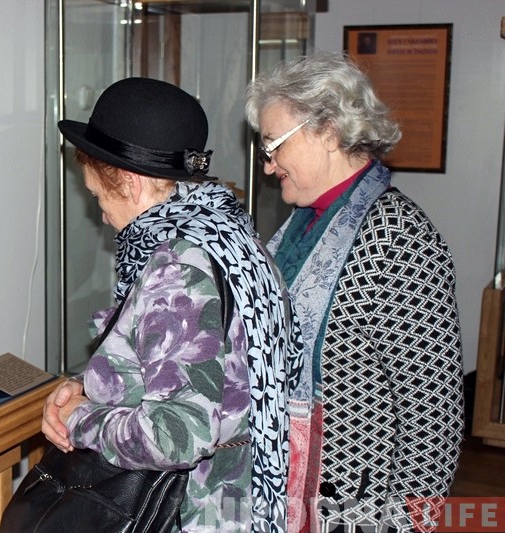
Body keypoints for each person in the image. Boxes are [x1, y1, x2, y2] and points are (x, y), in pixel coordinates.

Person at [41, 77, 303, 532]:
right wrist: (92, 384)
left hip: (190, 512)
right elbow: (203, 371)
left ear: (129, 182)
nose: (101, 213)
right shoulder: (228, 236)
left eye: (99, 196)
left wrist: (78, 418)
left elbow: (175, 435)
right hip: (238, 502)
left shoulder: (180, 267)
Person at [244, 51, 464, 532]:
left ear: (327, 130)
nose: (268, 166)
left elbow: (432, 419)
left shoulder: (398, 236)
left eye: (273, 145)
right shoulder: (303, 222)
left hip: (355, 506)